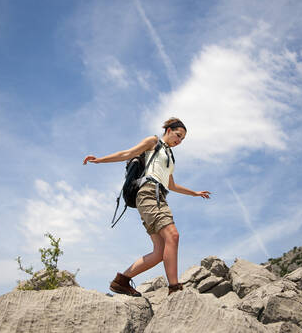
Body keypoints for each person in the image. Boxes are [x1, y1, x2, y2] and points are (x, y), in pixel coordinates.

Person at [83, 118, 211, 296]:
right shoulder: (153, 142)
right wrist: (99, 160)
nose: (179, 141)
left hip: (159, 196)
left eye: (182, 139)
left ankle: (121, 281)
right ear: (168, 130)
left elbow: (172, 185)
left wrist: (194, 193)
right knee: (173, 235)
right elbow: (127, 153)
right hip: (149, 193)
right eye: (178, 135)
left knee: (159, 252)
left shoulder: (170, 157)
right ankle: (174, 288)